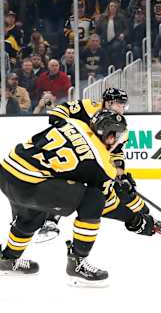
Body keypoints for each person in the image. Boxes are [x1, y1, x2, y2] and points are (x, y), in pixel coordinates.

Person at [0, 110, 126, 286]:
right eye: (118, 134)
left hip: (8, 171)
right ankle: (78, 264)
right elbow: (107, 205)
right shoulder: (102, 162)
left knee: (34, 213)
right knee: (94, 198)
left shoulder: (75, 123)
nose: (119, 139)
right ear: (108, 135)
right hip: (30, 185)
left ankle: (7, 259)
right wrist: (136, 218)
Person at [35, 88, 161, 243]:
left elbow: (116, 152)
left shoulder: (121, 126)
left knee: (123, 187)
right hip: (72, 154)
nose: (123, 108)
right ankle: (50, 222)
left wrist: (120, 172)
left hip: (94, 161)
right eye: (120, 104)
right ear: (109, 103)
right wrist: (63, 126)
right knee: (69, 186)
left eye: (124, 105)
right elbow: (61, 110)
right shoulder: (88, 106)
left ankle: (144, 215)